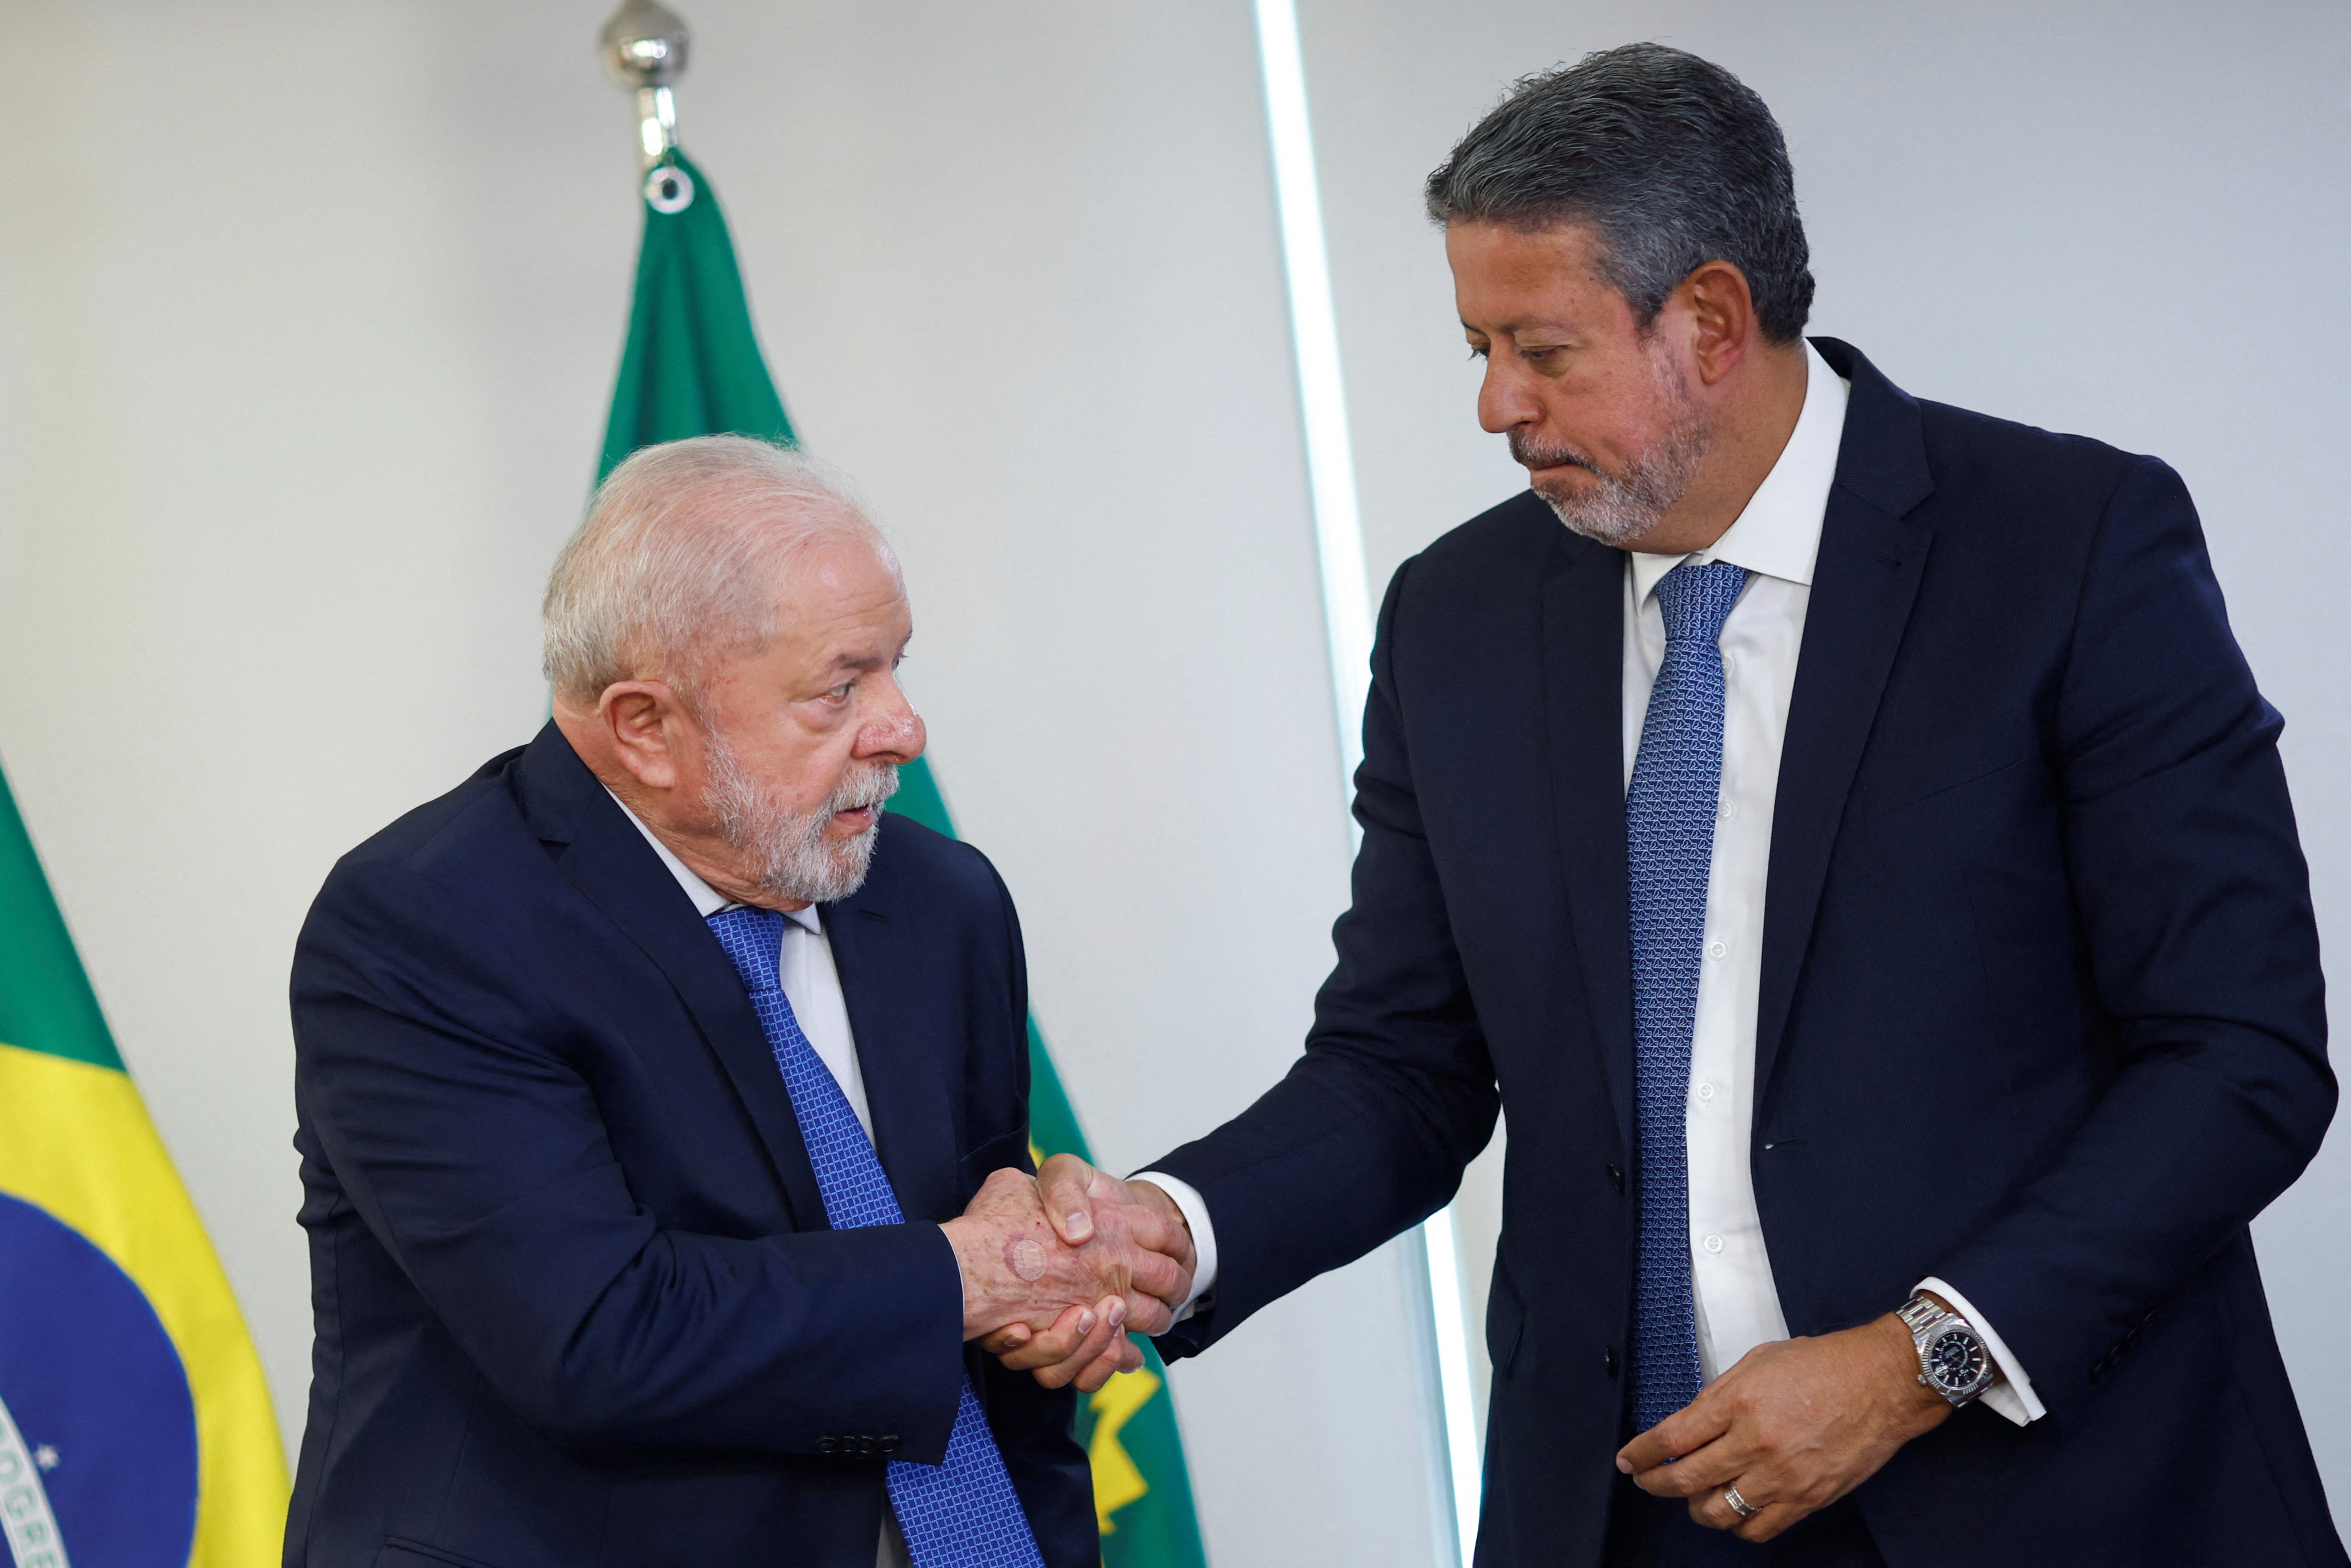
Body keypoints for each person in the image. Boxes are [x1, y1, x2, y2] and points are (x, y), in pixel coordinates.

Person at [1013, 43, 2345, 1568]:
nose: (1495, 404)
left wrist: (1922, 1359)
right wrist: (1174, 1231)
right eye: (1477, 348)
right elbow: (1401, 1064)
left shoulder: (2065, 549)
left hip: (2042, 1493)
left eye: (1543, 348)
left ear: (1708, 319)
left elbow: (2234, 1053)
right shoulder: (1456, 617)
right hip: (1622, 1513)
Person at [285, 436, 1192, 1568]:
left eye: (898, 666)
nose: (903, 727)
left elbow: (994, 1328)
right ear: (645, 728)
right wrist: (972, 1274)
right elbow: (599, 1333)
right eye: (840, 687)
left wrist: (1046, 1298)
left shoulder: (940, 902)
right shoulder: (426, 925)